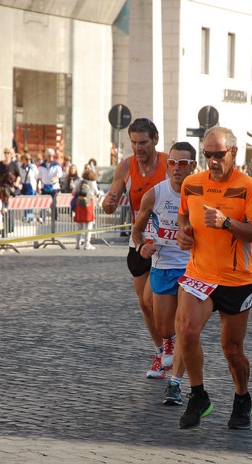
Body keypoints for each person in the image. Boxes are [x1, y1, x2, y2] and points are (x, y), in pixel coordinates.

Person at [176, 126, 252, 430]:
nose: (213, 160)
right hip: (199, 274)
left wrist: (228, 223)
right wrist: (183, 233)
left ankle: (242, 397)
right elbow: (183, 216)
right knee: (186, 330)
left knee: (232, 349)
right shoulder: (191, 183)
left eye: (219, 154)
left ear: (234, 153)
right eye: (208, 154)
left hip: (236, 279)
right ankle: (199, 395)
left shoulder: (248, 186)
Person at [102, 118, 169, 378]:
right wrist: (109, 202)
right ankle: (160, 352)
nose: (138, 148)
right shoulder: (126, 166)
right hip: (139, 241)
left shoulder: (167, 165)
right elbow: (113, 198)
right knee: (145, 304)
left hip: (166, 243)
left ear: (155, 139)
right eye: (133, 143)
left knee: (155, 298)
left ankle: (172, 345)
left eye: (143, 142)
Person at [132, 142, 196, 405]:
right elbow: (137, 230)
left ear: (193, 165)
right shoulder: (155, 194)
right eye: (172, 163)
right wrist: (141, 247)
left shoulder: (200, 194)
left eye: (183, 164)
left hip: (191, 268)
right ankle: (167, 345)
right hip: (162, 266)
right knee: (164, 327)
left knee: (185, 326)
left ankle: (176, 383)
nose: (176, 169)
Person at [71, 165, 99, 250]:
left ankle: (77, 243)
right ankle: (87, 244)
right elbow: (96, 192)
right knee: (88, 224)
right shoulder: (92, 183)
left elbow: (73, 192)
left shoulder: (80, 182)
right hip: (88, 204)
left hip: (79, 204)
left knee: (79, 224)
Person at [37, 148, 63, 222]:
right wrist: (37, 187)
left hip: (54, 187)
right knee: (43, 202)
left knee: (54, 203)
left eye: (52, 155)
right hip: (44, 186)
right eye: (49, 155)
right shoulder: (42, 165)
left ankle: (54, 218)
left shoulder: (56, 165)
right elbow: (39, 177)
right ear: (46, 156)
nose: (50, 157)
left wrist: (55, 177)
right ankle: (42, 217)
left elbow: (60, 173)